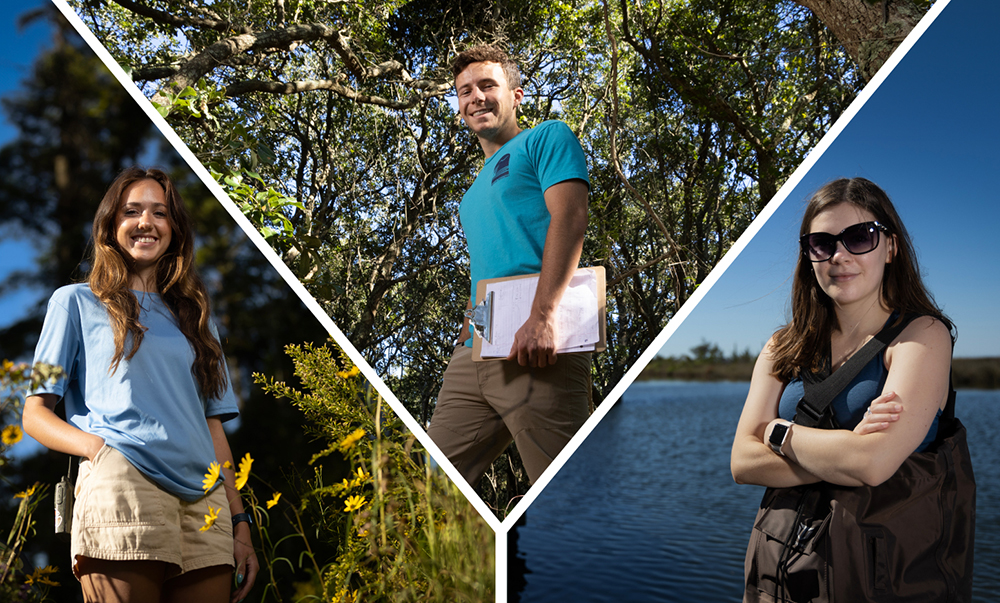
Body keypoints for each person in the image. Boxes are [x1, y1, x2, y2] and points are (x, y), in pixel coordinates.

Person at [23, 167, 258, 603]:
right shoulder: (74, 302)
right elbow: (34, 413)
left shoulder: (199, 320)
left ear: (175, 229)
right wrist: (99, 450)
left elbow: (212, 427)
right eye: (131, 211)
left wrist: (240, 522)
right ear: (112, 227)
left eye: (160, 213)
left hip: (206, 503)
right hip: (124, 485)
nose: (146, 222)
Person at [730, 178, 964, 600]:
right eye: (822, 243)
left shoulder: (922, 336)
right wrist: (846, 452)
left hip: (878, 579)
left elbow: (872, 464)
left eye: (859, 237)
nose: (839, 255)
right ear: (808, 256)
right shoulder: (781, 346)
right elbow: (742, 462)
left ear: (890, 247)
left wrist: (776, 433)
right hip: (779, 574)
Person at [426, 44, 592, 488]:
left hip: (539, 343)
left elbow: (571, 217)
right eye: (464, 91)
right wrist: (467, 332)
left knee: (566, 497)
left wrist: (543, 317)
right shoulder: (470, 195)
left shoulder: (546, 138)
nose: (476, 97)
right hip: (477, 351)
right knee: (420, 487)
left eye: (487, 85)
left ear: (516, 95)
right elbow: (486, 269)